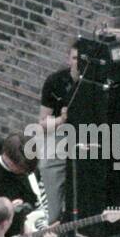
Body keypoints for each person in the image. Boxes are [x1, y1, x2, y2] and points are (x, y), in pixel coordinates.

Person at [37, 41, 82, 225]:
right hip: (61, 133)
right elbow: (42, 123)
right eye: (74, 58)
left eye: (81, 59)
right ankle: (52, 220)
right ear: (68, 60)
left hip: (92, 134)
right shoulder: (55, 81)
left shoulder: (94, 83)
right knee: (48, 164)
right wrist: (60, 120)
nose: (78, 63)